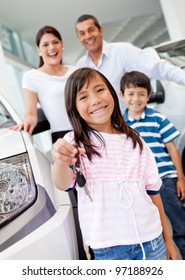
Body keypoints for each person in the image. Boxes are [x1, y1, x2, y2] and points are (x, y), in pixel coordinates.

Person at [51, 67, 177, 260]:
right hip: (109, 250)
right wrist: (60, 161)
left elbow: (153, 193)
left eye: (100, 90)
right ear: (73, 107)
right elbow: (62, 183)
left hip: (153, 241)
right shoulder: (74, 143)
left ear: (112, 92)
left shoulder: (136, 140)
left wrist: (168, 241)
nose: (95, 100)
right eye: (83, 97)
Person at [120, 70, 185, 259]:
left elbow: (172, 149)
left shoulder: (158, 119)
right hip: (138, 186)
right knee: (151, 230)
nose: (136, 99)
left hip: (165, 180)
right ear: (122, 95)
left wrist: (180, 178)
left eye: (141, 94)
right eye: (131, 94)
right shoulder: (119, 125)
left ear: (148, 96)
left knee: (179, 225)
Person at [75, 14, 185, 112]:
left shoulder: (123, 51)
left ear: (100, 30)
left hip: (129, 124)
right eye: (82, 33)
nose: (88, 36)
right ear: (79, 38)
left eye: (91, 30)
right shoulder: (81, 66)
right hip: (103, 128)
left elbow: (158, 67)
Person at [10, 25, 76, 143]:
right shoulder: (31, 77)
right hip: (63, 138)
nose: (51, 47)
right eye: (45, 44)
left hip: (90, 130)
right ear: (39, 50)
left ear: (62, 45)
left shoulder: (76, 71)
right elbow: (30, 114)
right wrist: (26, 123)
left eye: (55, 42)